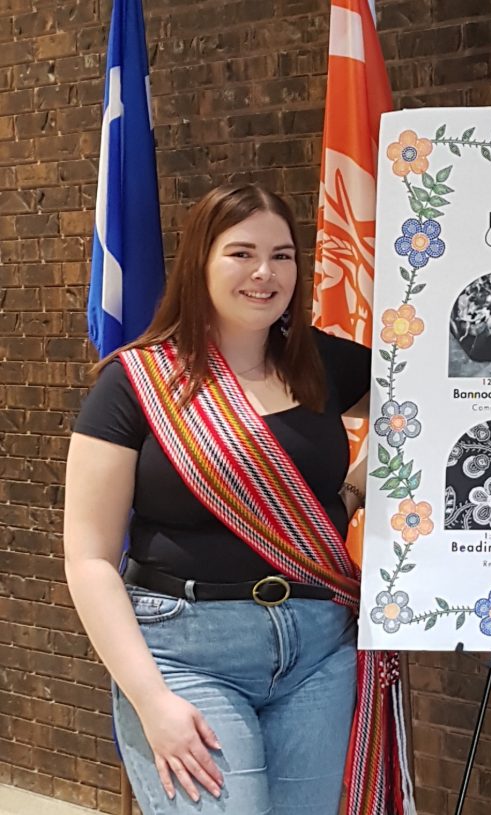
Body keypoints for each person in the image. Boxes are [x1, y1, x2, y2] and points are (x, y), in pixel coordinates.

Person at [63, 185, 401, 814]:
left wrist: (354, 491)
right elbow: (88, 559)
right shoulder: (134, 383)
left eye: (282, 255)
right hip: (186, 654)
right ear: (200, 262)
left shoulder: (324, 362)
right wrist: (150, 699)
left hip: (319, 653)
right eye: (241, 253)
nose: (264, 273)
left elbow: (426, 407)